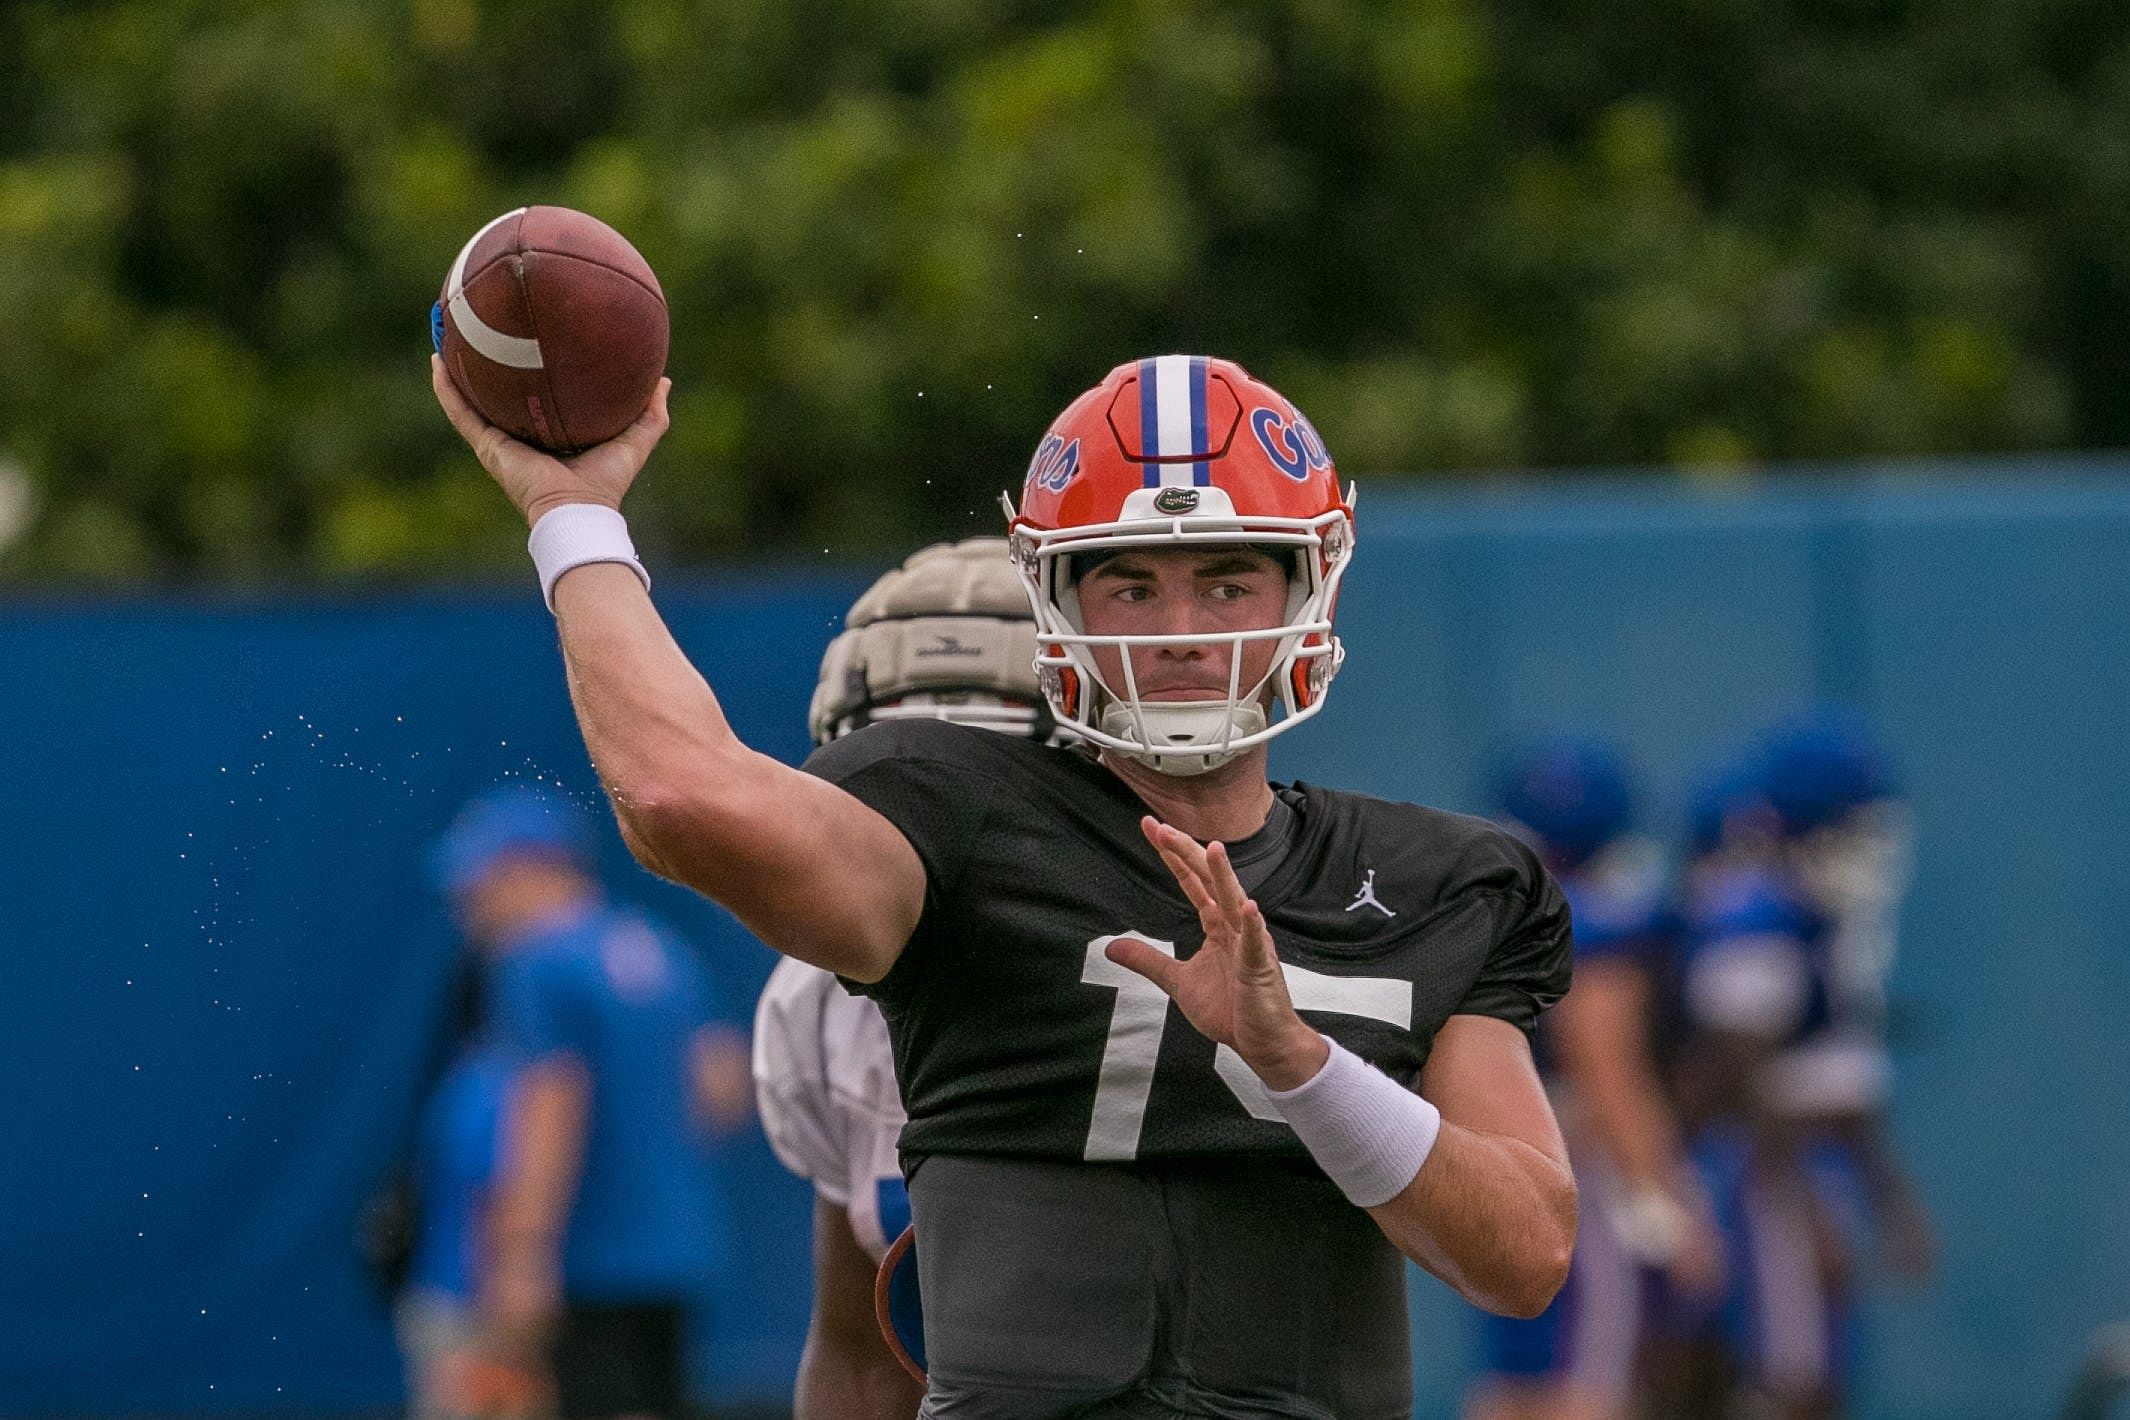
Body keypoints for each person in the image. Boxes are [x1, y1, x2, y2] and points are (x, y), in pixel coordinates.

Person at [432, 350, 1579, 1420]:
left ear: (1308, 588)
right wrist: (573, 516)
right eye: (1129, 588)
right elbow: (680, 797)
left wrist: (1304, 1067)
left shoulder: (1439, 880)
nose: (1180, 632)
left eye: (1226, 582)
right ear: (1058, 604)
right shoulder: (957, 818)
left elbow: (1526, 1255)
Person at [754, 536, 1049, 1420]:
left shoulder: (1182, 965)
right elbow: (862, 1349)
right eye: (902, 771)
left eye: (985, 772)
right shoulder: (818, 998)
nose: (940, 815)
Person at [430, 785, 753, 1420]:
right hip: (674, 1255)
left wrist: (523, 1253)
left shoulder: (535, 960)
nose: (466, 906)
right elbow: (722, 1089)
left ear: (528, 867)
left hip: (586, 1264)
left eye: (476, 883)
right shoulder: (657, 949)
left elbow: (553, 1101)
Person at [1657, 709, 1933, 1420]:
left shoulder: (1819, 922)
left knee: (1807, 1376)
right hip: (1767, 1174)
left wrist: (1887, 1197)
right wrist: (1803, 1201)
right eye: (1854, 831)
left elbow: (1842, 1090)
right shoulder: (1755, 920)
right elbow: (1736, 1081)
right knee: (1785, 1381)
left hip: (1797, 1167)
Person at [1467, 737, 1724, 1420]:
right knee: (1589, 1377)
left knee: (1518, 1379)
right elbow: (1609, 1075)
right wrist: (1672, 1200)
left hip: (1493, 1160)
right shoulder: (1596, 924)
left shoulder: (1486, 913)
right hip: (1577, 1168)